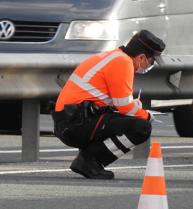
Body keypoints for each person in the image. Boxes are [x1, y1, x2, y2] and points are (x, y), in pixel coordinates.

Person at [52, 30, 166, 179]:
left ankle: (89, 157)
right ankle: (90, 161)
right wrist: (146, 115)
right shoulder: (123, 63)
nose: (150, 65)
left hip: (70, 121)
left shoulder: (114, 56)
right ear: (142, 57)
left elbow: (114, 101)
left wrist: (133, 107)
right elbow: (125, 106)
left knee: (126, 120)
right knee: (141, 128)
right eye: (151, 62)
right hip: (75, 124)